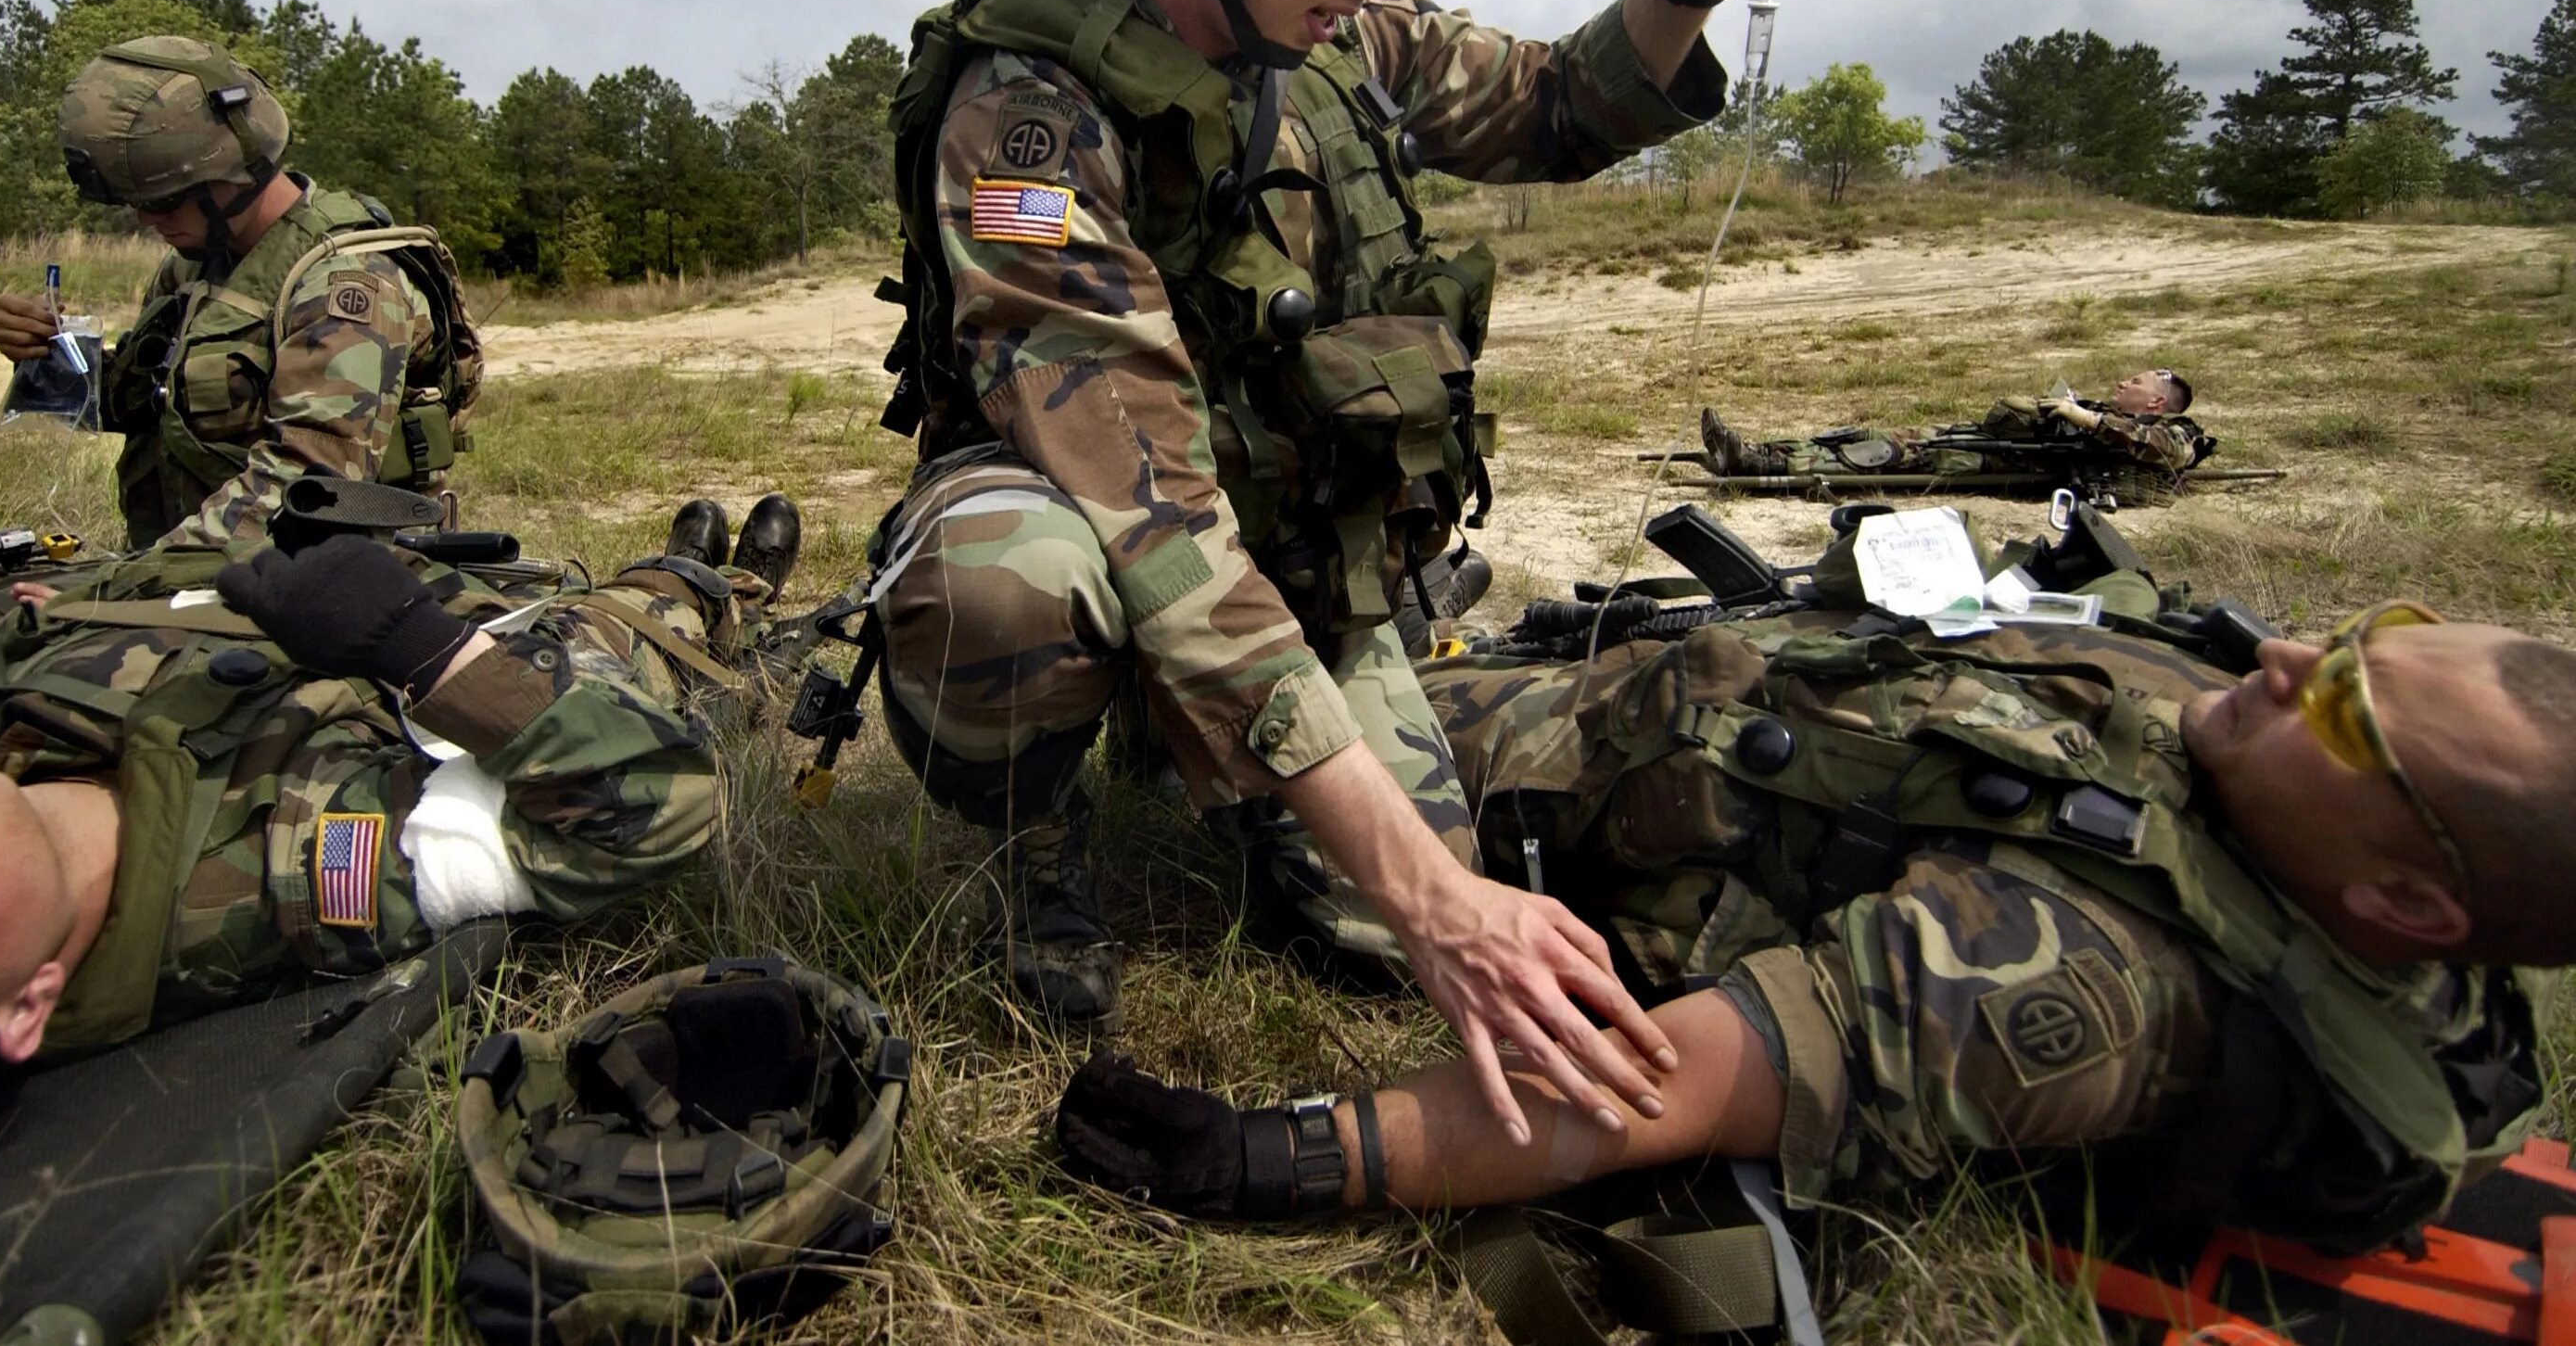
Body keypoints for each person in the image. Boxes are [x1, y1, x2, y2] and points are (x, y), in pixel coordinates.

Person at [868, 0, 1839, 1147]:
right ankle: (1033, 842)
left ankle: (1262, 789)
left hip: (1292, 559)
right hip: (1113, 540)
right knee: (1006, 577)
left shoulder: (1335, 43)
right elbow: (1144, 508)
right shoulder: (1029, 112)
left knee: (1387, 927)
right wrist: (1433, 891)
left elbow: (1559, 106)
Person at [1055, 528, 2567, 1259]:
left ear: (2412, 905)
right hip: (1644, 686)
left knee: (1212, 678)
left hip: (1519, 785)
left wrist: (1288, 1155)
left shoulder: (2079, 981)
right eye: (2367, 636)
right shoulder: (2245, 759)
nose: (2298, 663)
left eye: (2355, 716)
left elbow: (1653, 1090)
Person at [0, 495, 801, 1189]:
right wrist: (423, 644)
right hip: (495, 663)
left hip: (233, 584)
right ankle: (720, 590)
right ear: (25, 1008)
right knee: (628, 620)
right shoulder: (288, 870)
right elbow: (653, 802)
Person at [0, 36, 483, 550]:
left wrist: (134, 581)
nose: (146, 220)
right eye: (136, 203)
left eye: (165, 201)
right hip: (198, 582)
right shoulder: (192, 271)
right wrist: (48, 356)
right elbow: (146, 405)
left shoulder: (347, 283)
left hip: (325, 588)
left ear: (233, 174)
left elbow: (310, 491)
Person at [1700, 366, 2205, 484]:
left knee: (1881, 457)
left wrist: (2082, 416)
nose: (2123, 382)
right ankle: (1758, 449)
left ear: (2158, 401)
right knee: (1866, 436)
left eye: (2135, 381)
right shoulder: (2104, 410)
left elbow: (2163, 452)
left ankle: (1750, 463)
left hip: (1998, 460)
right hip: (1984, 439)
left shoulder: (2179, 431)